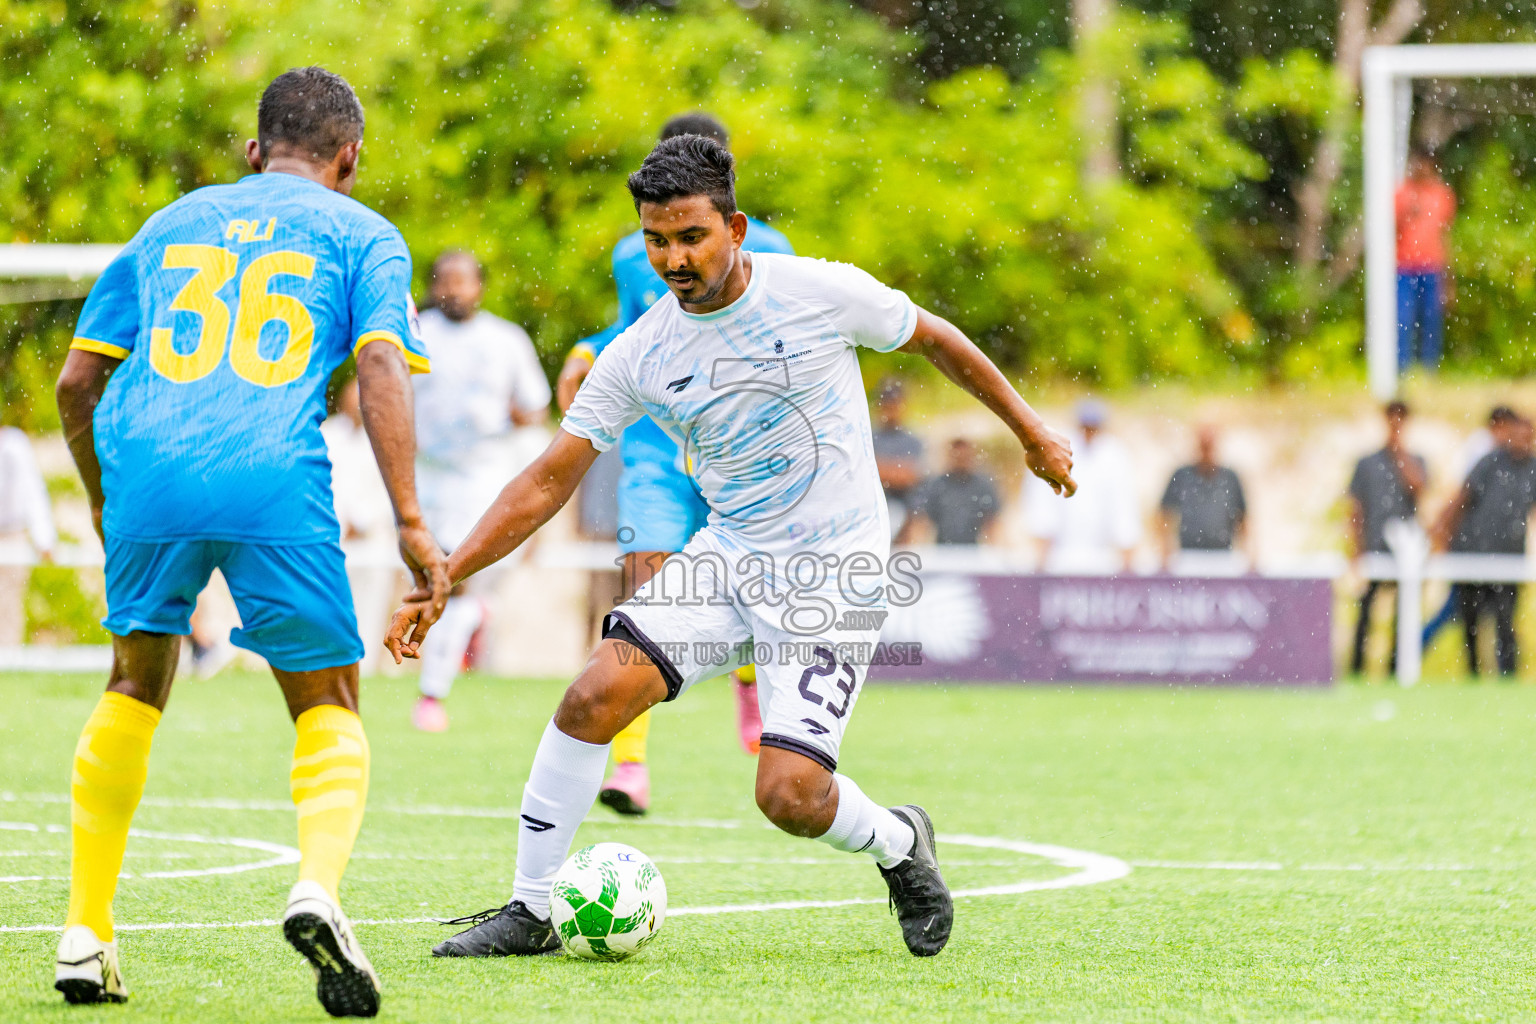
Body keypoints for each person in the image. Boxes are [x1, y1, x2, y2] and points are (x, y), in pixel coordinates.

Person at [388, 133, 1075, 961]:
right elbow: (546, 481)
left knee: (788, 797)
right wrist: (448, 573)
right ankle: (531, 909)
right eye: (656, 240)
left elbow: (935, 339)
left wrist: (1033, 434)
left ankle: (899, 843)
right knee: (588, 700)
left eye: (690, 237)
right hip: (729, 556)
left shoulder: (819, 292)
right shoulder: (639, 352)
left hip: (837, 571)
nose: (672, 259)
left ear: (736, 227)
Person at [51, 67, 448, 1015]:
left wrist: (113, 507)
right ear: (350, 157)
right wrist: (412, 524)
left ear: (253, 150)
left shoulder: (168, 225)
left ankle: (83, 930)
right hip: (270, 467)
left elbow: (75, 384)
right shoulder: (363, 234)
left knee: (134, 685)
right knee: (327, 700)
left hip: (145, 459)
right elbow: (383, 365)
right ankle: (317, 887)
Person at [554, 113, 793, 815]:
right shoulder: (635, 254)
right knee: (641, 601)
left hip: (738, 452)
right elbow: (635, 330)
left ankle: (752, 699)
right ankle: (630, 768)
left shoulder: (774, 250)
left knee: (751, 587)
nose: (674, 253)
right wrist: (585, 347)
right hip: (656, 454)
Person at [410, 250, 551, 732]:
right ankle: (449, 648)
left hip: (480, 475)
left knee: (453, 575)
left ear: (480, 288)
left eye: (463, 282)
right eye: (445, 281)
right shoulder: (415, 332)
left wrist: (516, 417)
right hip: (424, 473)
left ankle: (432, 691)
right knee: (432, 580)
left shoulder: (504, 339)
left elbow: (535, 406)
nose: (454, 290)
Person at [1432, 417, 1536, 678]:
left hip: (1507, 558)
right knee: (1470, 620)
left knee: (1505, 620)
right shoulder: (1490, 462)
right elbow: (1461, 498)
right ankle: (1473, 674)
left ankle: (1507, 676)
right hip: (1472, 552)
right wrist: (1441, 536)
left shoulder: (1533, 469)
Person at [1422, 405, 1520, 650]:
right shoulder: (1482, 452)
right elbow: (1460, 496)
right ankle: (1410, 650)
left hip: (1484, 549)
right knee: (1459, 611)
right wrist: (1442, 533)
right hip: (1471, 547)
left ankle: (1409, 651)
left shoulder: (1498, 456)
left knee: (1482, 615)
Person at [322, 377, 399, 674]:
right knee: (331, 604)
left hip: (372, 539)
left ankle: (362, 670)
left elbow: (391, 492)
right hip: (331, 537)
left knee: (369, 607)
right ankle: (330, 667)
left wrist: (361, 521)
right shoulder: (328, 434)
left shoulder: (386, 440)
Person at [1346, 400, 1427, 676]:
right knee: (1365, 611)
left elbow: (1419, 488)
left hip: (1404, 551)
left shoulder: (1417, 460)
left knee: (1403, 615)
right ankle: (1357, 668)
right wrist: (1355, 550)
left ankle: (1395, 668)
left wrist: (1399, 454)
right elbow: (1355, 509)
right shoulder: (1366, 462)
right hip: (1374, 547)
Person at [1025, 398, 1139, 572]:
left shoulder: (1115, 455)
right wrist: (1041, 556)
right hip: (1058, 558)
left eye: (1093, 427)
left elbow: (1123, 507)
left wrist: (1126, 558)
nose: (1089, 432)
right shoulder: (1059, 450)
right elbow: (1043, 502)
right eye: (1086, 426)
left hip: (1104, 559)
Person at [1395, 147, 1456, 373]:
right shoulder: (1401, 193)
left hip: (1432, 267)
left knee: (1431, 322)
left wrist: (1449, 279)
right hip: (1403, 267)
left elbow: (1446, 235)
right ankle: (1402, 369)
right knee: (1403, 320)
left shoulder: (1442, 195)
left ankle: (1429, 370)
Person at [1158, 424, 1249, 567]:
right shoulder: (1182, 476)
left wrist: (1248, 554)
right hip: (1187, 556)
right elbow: (1164, 514)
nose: (1206, 451)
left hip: (1223, 557)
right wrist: (1165, 551)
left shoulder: (1230, 478)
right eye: (1203, 446)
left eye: (1210, 446)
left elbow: (1243, 518)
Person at [0, 424, 57, 646]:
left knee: (8, 605)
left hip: (12, 535)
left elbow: (32, 490)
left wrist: (44, 537)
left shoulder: (14, 444)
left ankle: (6, 663)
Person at [901, 438, 999, 545]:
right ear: (950, 457)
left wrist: (996, 552)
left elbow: (992, 522)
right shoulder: (936, 484)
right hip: (943, 549)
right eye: (958, 458)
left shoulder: (983, 486)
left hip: (973, 550)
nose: (962, 462)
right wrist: (916, 547)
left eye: (965, 458)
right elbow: (922, 520)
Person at [872, 376, 926, 539]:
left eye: (895, 404)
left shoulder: (913, 440)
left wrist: (879, 469)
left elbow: (911, 476)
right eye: (887, 404)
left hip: (907, 513)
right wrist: (896, 470)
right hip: (874, 508)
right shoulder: (869, 436)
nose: (891, 409)